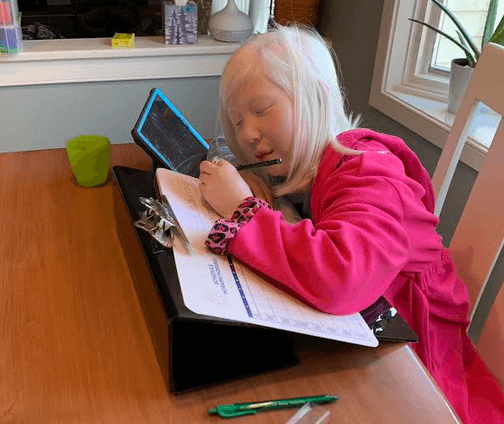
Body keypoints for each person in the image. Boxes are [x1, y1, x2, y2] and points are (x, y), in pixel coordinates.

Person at [198, 24, 504, 423]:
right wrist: (258, 191)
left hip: (417, 350)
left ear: (316, 98)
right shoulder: (312, 166)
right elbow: (227, 149)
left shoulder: (370, 174)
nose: (249, 134)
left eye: (261, 110)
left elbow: (342, 277)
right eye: (237, 121)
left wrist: (245, 212)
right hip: (368, 327)